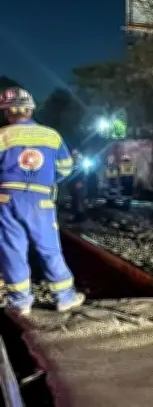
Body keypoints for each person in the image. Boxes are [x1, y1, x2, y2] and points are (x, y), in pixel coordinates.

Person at [0, 87, 84, 315]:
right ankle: (65, 297)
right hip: (41, 200)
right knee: (49, 248)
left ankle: (20, 302)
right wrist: (47, 179)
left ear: (7, 112)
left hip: (7, 200)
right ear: (30, 110)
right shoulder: (51, 136)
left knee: (12, 250)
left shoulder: (2, 136)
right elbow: (66, 168)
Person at [68, 149, 87, 223]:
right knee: (74, 200)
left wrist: (81, 182)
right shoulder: (72, 161)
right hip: (73, 184)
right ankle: (77, 216)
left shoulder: (79, 161)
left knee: (78, 201)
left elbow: (82, 173)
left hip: (78, 184)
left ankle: (80, 216)